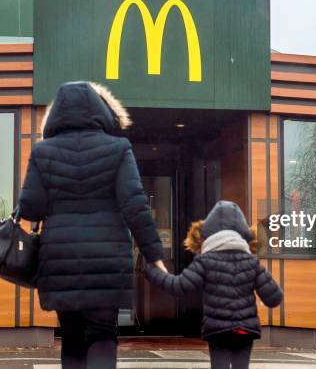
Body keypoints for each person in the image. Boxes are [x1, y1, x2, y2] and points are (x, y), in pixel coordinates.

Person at [17, 81, 165, 369]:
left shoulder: (43, 152)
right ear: (100, 112)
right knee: (102, 334)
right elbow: (134, 204)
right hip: (107, 259)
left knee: (71, 336)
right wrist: (154, 253)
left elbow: (30, 208)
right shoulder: (118, 149)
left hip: (59, 260)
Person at [146, 200, 283, 369]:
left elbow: (179, 286)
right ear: (242, 232)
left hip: (218, 331)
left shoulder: (205, 261)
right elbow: (274, 298)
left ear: (209, 231)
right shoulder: (251, 262)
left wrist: (152, 271)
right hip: (245, 329)